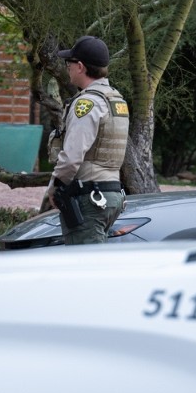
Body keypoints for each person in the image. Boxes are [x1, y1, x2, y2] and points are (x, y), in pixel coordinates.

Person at [48, 36, 129, 245]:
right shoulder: (115, 99)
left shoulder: (86, 103)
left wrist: (54, 188)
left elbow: (72, 156)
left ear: (80, 67)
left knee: (83, 268)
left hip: (89, 197)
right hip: (111, 194)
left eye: (69, 63)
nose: (68, 68)